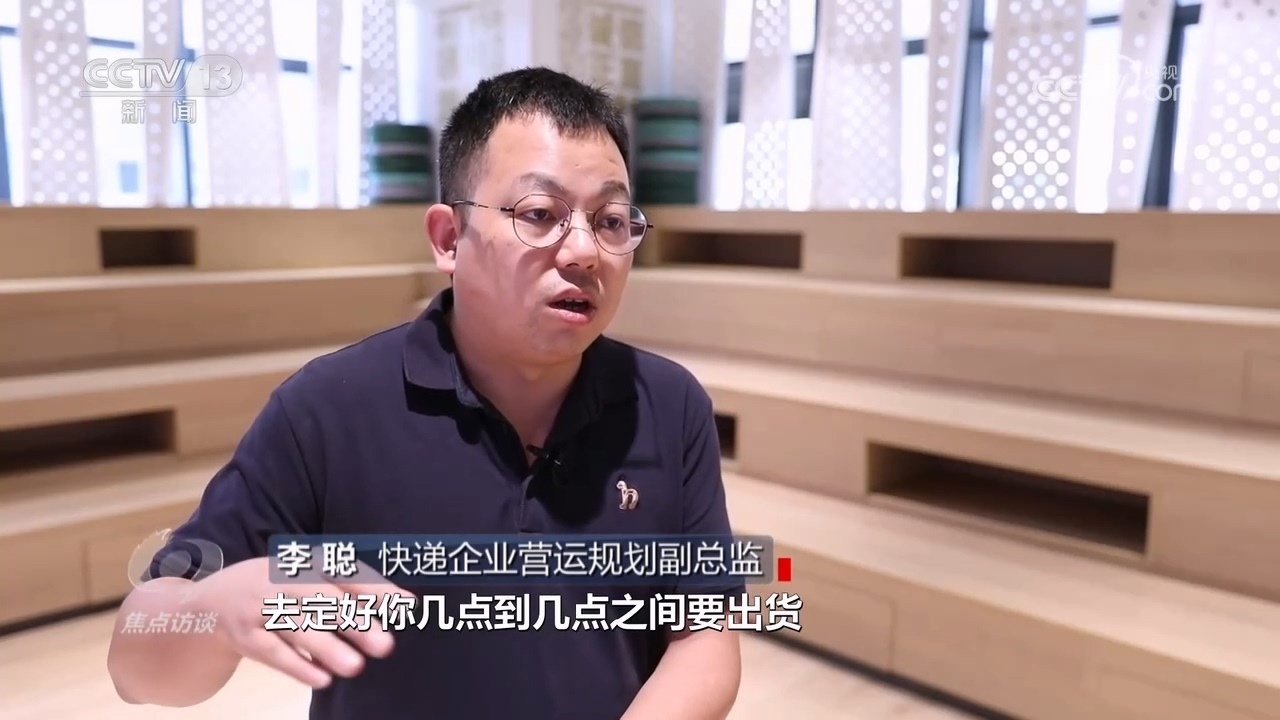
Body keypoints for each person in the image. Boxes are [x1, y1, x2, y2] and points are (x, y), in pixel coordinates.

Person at [107, 67, 743, 719]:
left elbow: (704, 634)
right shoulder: (327, 409)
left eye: (610, 220)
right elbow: (137, 665)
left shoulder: (669, 405)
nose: (584, 251)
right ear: (448, 238)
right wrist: (213, 608)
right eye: (540, 214)